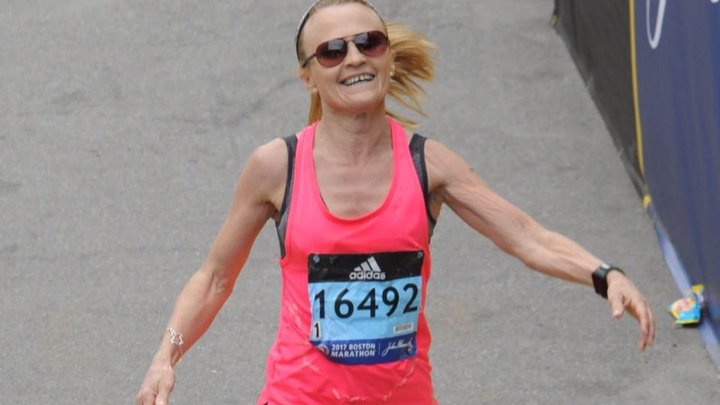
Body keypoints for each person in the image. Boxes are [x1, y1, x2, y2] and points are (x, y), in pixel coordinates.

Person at [136, 1, 656, 404]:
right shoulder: (278, 166)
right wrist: (165, 356)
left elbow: (527, 237)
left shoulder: (430, 165)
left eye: (370, 42)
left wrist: (605, 274)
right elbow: (215, 278)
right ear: (308, 76)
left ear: (387, 55)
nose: (354, 58)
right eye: (332, 51)